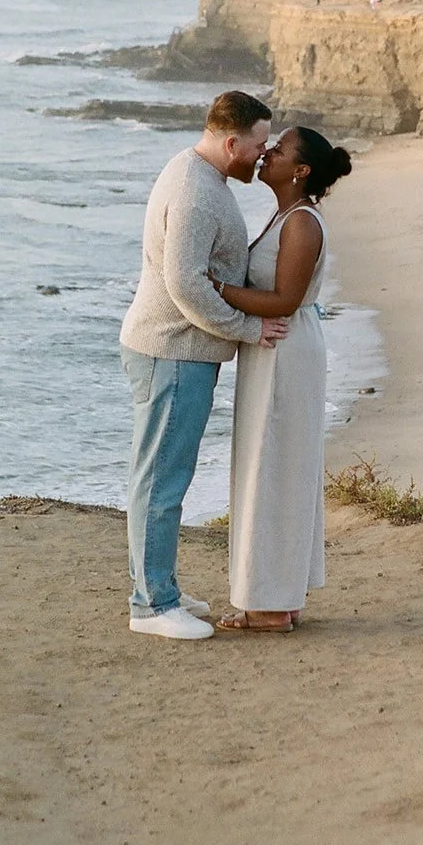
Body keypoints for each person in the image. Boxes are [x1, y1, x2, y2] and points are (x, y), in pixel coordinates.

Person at [120, 91, 289, 640]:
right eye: (259, 145)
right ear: (231, 141)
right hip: (171, 350)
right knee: (161, 479)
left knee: (169, 473)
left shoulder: (203, 176)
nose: (263, 156)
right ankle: (149, 606)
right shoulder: (194, 190)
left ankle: (160, 587)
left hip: (183, 351)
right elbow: (185, 282)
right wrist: (248, 330)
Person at [212, 127, 352, 634]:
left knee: (273, 465)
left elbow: (285, 300)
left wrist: (217, 289)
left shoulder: (301, 224)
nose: (267, 152)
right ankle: (280, 596)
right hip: (278, 346)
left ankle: (269, 606)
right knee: (276, 464)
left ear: (301, 171)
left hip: (285, 347)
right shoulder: (284, 215)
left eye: (280, 149)